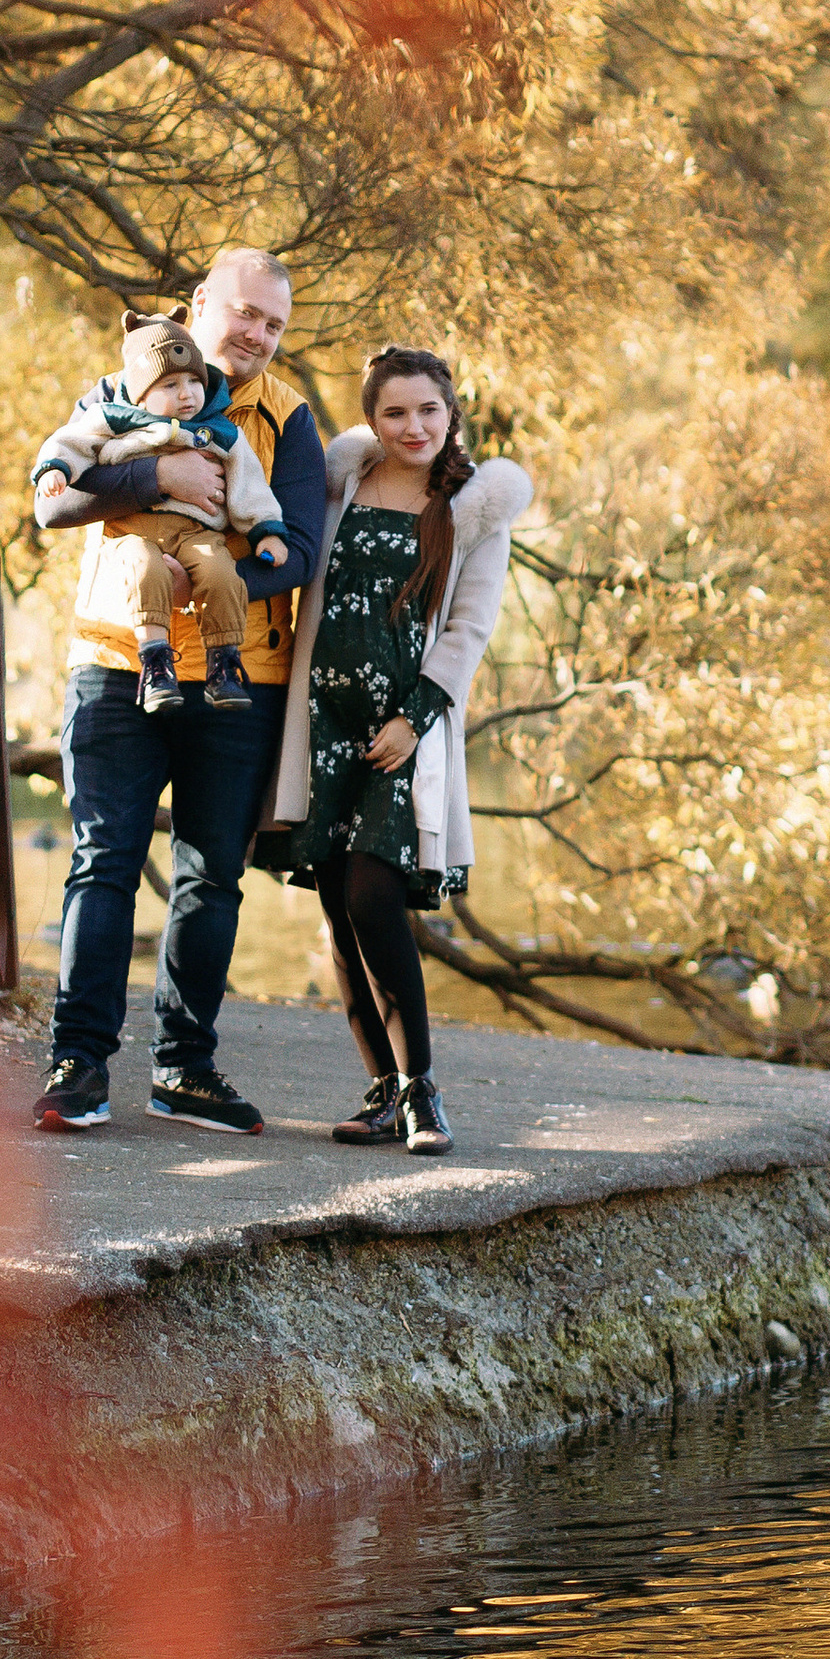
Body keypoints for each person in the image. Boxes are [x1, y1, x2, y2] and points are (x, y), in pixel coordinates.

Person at [28, 246, 325, 1136]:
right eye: (245, 314)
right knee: (103, 862)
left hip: (241, 680)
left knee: (210, 880)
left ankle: (184, 1071)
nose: (258, 336)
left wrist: (209, 572)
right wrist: (157, 476)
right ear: (201, 304)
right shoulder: (116, 392)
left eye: (274, 324)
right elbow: (54, 502)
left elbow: (299, 546)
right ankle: (78, 1062)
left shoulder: (287, 417)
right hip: (118, 666)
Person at [259, 346, 530, 1157]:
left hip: (401, 729)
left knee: (376, 892)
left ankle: (422, 1091)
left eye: (429, 412)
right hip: (324, 718)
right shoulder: (340, 484)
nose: (413, 427)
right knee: (339, 905)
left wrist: (415, 717)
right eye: (395, 412)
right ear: (371, 418)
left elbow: (469, 627)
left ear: (452, 416)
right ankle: (380, 1090)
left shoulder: (473, 507)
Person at [30, 313, 288, 712]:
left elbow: (248, 484)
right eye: (170, 384)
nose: (186, 394)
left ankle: (224, 664)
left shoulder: (218, 431)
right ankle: (155, 660)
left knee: (221, 572)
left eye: (193, 382)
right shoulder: (114, 420)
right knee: (142, 566)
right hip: (134, 531)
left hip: (196, 532)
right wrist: (55, 469)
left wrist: (266, 530)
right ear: (140, 394)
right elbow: (71, 442)